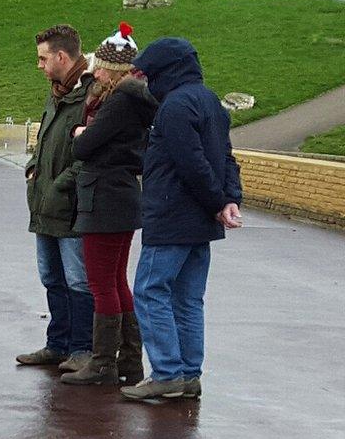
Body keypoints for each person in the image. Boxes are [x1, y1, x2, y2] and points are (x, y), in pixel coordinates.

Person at [123, 37, 243, 402]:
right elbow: (225, 158)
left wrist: (218, 201)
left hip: (171, 215)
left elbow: (191, 163)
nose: (147, 81)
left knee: (150, 290)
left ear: (165, 72)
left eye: (150, 73)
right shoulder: (211, 102)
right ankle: (190, 375)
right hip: (200, 222)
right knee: (189, 299)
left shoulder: (174, 106)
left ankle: (166, 373)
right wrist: (228, 200)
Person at [58, 24, 156, 388]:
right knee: (116, 281)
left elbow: (84, 147)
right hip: (122, 196)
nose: (94, 72)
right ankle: (129, 360)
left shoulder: (118, 102)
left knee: (102, 283)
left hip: (104, 198)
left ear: (114, 71)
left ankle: (103, 364)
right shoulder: (136, 101)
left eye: (100, 67)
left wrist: (80, 133)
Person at [19, 24, 95, 369]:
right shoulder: (56, 94)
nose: (39, 65)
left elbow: (91, 153)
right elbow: (44, 140)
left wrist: (61, 184)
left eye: (43, 58)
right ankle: (57, 344)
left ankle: (82, 350)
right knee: (51, 276)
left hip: (72, 207)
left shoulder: (90, 97)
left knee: (78, 280)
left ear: (62, 56)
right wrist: (33, 169)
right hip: (45, 205)